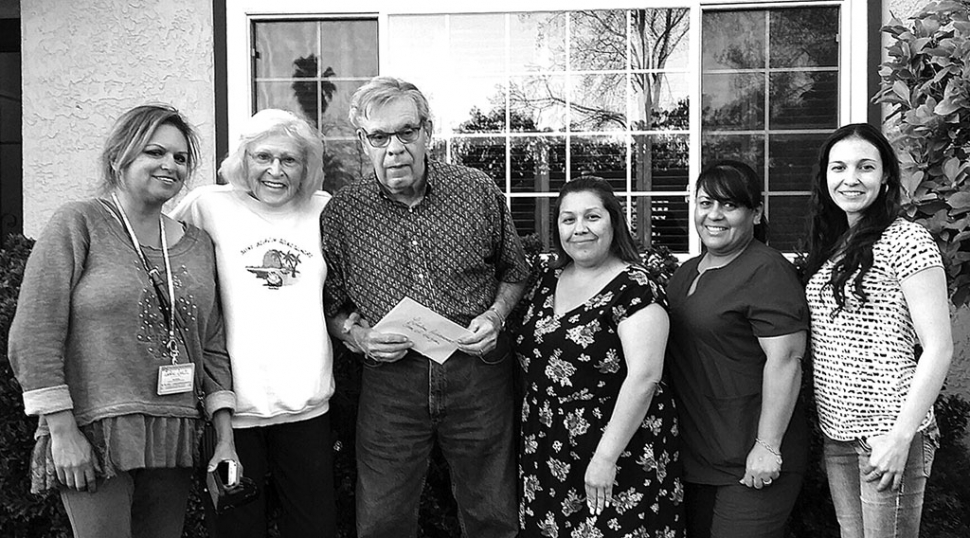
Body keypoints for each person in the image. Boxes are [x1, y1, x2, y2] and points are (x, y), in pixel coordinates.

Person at [7, 104, 237, 538]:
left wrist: (224, 437)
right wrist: (61, 430)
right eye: (155, 152)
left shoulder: (198, 244)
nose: (170, 165)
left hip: (174, 432)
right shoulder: (80, 223)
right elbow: (34, 332)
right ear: (120, 156)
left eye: (181, 157)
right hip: (95, 430)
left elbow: (210, 345)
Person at [320, 76, 529, 538]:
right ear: (363, 142)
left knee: (491, 511)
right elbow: (331, 307)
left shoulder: (475, 190)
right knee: (381, 519)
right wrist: (357, 336)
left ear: (427, 132)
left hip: (478, 370)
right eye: (379, 137)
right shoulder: (342, 212)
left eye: (406, 132)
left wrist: (494, 317)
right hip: (392, 379)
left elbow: (516, 271)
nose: (394, 148)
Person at [171, 108, 336, 537]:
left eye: (289, 160)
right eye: (263, 157)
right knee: (234, 528)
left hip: (308, 406)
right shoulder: (208, 205)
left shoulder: (323, 210)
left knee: (314, 527)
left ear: (306, 167)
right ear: (244, 161)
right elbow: (158, 255)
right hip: (231, 413)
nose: (275, 171)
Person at [514, 176, 685, 538]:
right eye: (568, 219)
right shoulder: (547, 279)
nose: (580, 229)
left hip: (617, 453)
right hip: (546, 452)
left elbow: (645, 377)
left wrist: (605, 459)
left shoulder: (635, 287)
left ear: (614, 222)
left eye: (592, 217)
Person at [803, 123, 952, 538]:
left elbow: (938, 347)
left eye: (865, 167)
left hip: (889, 434)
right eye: (839, 168)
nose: (851, 179)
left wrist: (900, 437)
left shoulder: (908, 240)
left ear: (885, 175)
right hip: (838, 434)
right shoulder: (836, 244)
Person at [666, 161, 810, 538]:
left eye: (729, 205)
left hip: (751, 457)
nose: (714, 215)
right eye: (705, 203)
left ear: (756, 213)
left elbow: (787, 360)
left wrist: (768, 446)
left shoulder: (767, 271)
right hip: (697, 456)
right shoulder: (687, 272)